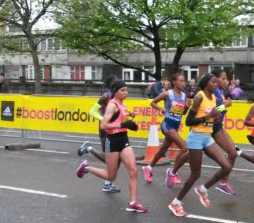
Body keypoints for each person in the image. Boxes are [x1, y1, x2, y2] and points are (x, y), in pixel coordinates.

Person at [76, 80, 147, 213]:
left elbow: (122, 119)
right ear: (115, 91)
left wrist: (131, 124)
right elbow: (103, 125)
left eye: (127, 90)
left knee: (133, 170)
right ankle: (87, 167)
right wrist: (123, 125)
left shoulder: (123, 104)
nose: (126, 92)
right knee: (111, 176)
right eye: (123, 90)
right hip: (112, 141)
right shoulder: (111, 105)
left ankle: (132, 203)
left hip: (123, 140)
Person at [167, 73, 233, 217]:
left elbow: (213, 119)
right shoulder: (199, 96)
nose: (216, 85)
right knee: (196, 174)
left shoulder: (214, 98)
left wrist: (217, 114)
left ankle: (203, 189)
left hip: (207, 137)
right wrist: (208, 117)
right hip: (196, 137)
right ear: (205, 84)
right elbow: (189, 121)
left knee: (226, 166)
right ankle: (176, 202)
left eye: (216, 82)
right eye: (213, 83)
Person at [141, 72, 190, 188]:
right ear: (174, 82)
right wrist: (161, 109)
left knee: (163, 149)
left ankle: (148, 168)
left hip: (175, 126)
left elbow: (182, 113)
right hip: (167, 124)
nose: (183, 83)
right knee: (184, 148)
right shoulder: (168, 94)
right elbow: (152, 103)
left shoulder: (184, 96)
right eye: (180, 81)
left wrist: (187, 107)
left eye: (184, 81)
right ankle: (172, 172)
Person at [78, 75, 121, 193]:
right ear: (113, 86)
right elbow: (92, 111)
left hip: (115, 130)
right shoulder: (105, 97)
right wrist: (103, 119)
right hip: (105, 130)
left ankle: (108, 183)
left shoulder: (118, 97)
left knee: (117, 159)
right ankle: (89, 150)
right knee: (110, 160)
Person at [209, 69, 239, 195]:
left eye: (226, 78)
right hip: (206, 128)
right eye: (223, 78)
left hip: (217, 127)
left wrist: (225, 104)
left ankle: (223, 183)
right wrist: (224, 106)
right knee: (189, 155)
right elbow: (211, 111)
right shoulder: (212, 91)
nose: (225, 81)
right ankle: (173, 172)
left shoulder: (220, 91)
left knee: (232, 153)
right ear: (215, 79)